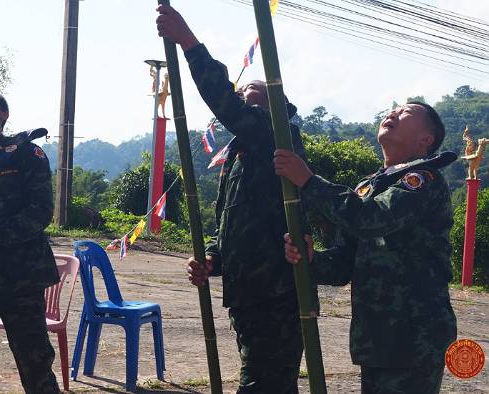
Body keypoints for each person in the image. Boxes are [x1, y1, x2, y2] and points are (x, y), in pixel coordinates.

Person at [157, 5, 309, 393]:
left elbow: (225, 101)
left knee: (262, 385)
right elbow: (227, 226)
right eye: (244, 93)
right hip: (246, 296)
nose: (244, 96)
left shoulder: (280, 135)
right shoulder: (236, 158)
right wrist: (211, 259)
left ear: (280, 104)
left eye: (252, 93)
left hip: (276, 294)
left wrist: (188, 42)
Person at [278, 102, 458, 394]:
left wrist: (309, 181)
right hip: (378, 337)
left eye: (406, 113)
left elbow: (372, 219)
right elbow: (344, 263)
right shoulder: (370, 187)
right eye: (394, 109)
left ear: (425, 140)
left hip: (415, 337)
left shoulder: (424, 179)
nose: (394, 113)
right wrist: (312, 259)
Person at [0, 85, 61, 393]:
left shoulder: (26, 153)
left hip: (22, 279)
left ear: (3, 115)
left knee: (35, 365)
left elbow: (41, 212)